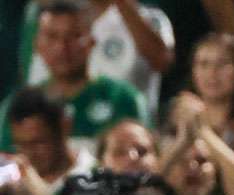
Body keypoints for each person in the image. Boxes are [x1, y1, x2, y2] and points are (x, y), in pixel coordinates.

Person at [0, 1, 149, 154]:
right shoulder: (17, 106)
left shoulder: (124, 100)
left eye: (74, 36)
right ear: (37, 44)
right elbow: (5, 165)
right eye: (52, 36)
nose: (62, 47)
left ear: (91, 42)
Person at [23, 0, 175, 115]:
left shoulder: (151, 18)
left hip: (124, 131)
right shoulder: (50, 21)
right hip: (61, 135)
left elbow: (162, 61)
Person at [7, 87, 95, 195]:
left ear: (65, 127)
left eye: (38, 143)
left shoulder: (93, 181)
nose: (29, 154)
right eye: (20, 144)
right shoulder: (9, 185)